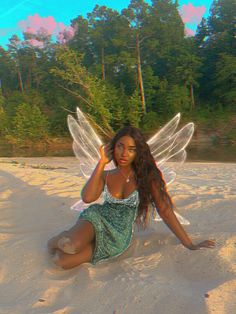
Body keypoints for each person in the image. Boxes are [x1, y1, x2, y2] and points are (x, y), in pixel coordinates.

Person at [47, 126, 215, 269]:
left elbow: (164, 210)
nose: (124, 153)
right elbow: (88, 198)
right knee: (70, 245)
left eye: (131, 149)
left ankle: (66, 240)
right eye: (120, 146)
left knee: (60, 261)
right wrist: (101, 163)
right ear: (113, 148)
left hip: (118, 235)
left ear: (138, 152)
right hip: (96, 218)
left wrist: (189, 244)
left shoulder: (148, 177)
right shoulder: (107, 174)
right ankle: (57, 240)